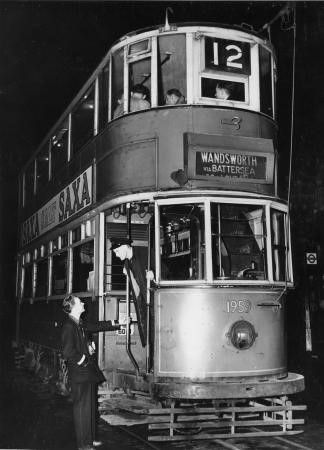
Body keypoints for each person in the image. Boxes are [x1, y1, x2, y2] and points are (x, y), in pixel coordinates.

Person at [61, 295, 120, 450]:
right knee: (82, 409)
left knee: (90, 407)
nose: (83, 303)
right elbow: (68, 352)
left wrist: (117, 323)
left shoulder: (79, 323)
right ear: (73, 306)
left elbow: (96, 326)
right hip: (80, 374)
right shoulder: (69, 326)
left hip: (87, 373)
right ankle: (83, 444)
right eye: (80, 302)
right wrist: (84, 359)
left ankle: (91, 439)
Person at [110, 237, 154, 346]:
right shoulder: (127, 264)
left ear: (125, 247)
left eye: (116, 251)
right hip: (144, 304)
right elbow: (136, 289)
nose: (116, 254)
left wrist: (154, 277)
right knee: (150, 337)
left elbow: (166, 273)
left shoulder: (146, 253)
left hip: (156, 303)